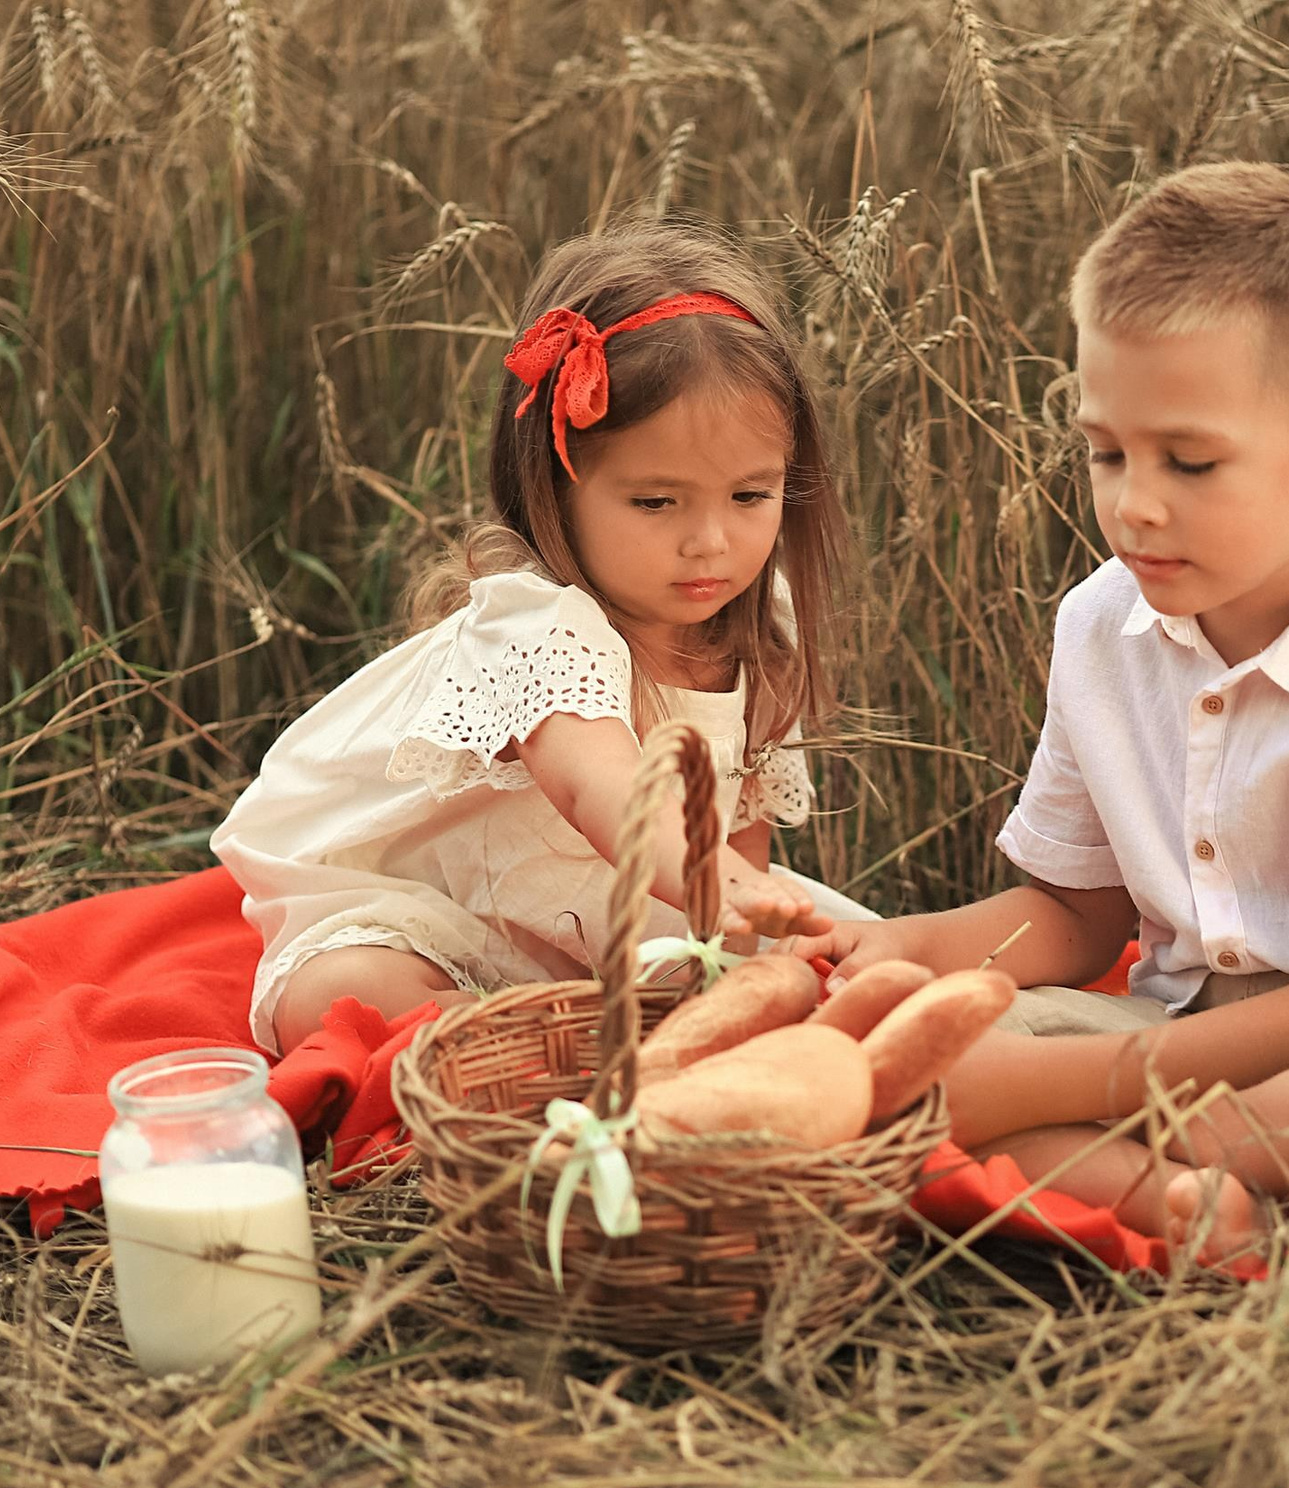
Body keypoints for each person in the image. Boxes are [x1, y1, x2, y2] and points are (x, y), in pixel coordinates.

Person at [782, 163, 1289, 1261]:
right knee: (907, 1068)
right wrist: (903, 949)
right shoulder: (1101, 627)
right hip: (1182, 1030)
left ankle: (1121, 1168)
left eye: (1189, 460)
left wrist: (1048, 1084)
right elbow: (1077, 917)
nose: (1134, 502)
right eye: (1105, 451)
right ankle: (1181, 1201)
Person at [215, 221, 863, 1055]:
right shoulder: (537, 624)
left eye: (750, 496)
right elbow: (606, 793)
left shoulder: (759, 621)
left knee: (839, 968)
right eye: (657, 503)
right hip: (449, 919)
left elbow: (738, 821)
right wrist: (716, 882)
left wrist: (733, 949)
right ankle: (519, 1052)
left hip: (618, 932)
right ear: (557, 490)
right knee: (345, 994)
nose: (711, 541)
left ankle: (586, 1045)